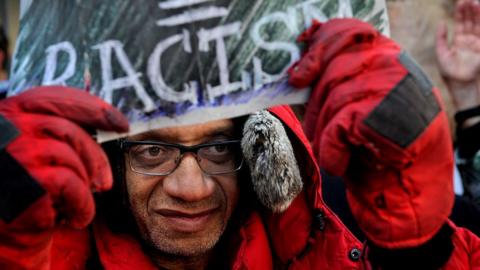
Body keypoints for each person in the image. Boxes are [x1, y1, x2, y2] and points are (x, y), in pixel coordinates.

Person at [0, 18, 479, 270]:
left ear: (259, 152)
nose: (192, 188)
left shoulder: (338, 248)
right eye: (153, 151)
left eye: (218, 147)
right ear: (106, 160)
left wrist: (419, 250)